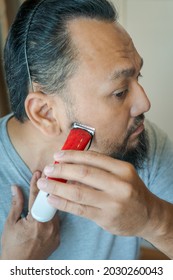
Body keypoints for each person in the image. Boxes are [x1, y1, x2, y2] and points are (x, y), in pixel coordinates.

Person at [0, 0, 173, 260]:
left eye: (138, 77)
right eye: (120, 92)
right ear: (45, 113)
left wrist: (155, 219)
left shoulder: (137, 141)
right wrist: (15, 267)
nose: (144, 103)